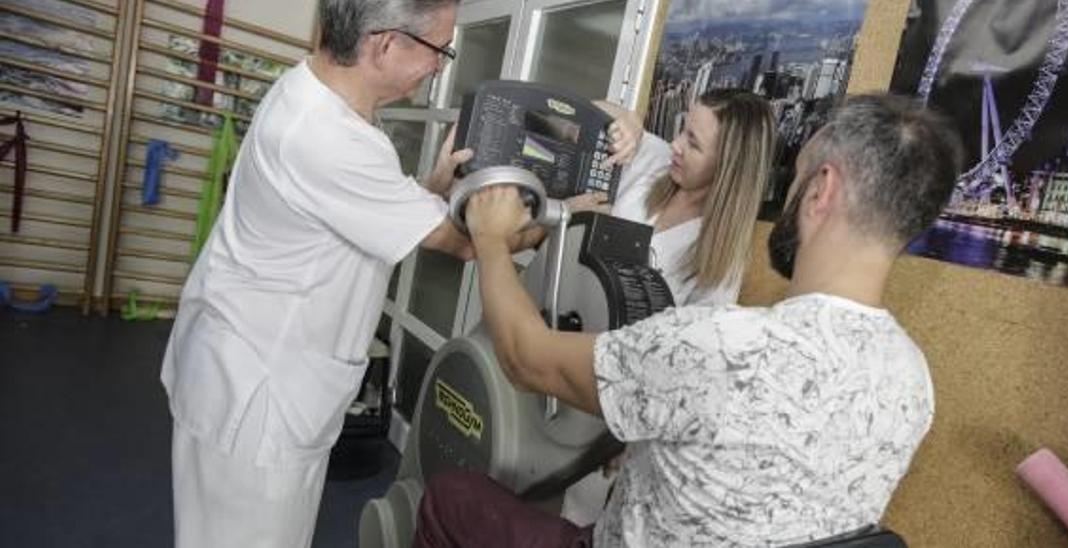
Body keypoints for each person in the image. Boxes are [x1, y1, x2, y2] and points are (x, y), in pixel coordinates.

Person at [157, 1, 637, 546]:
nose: (439, 66)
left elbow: (360, 216)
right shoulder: (327, 136)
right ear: (385, 44)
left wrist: (430, 187)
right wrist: (566, 211)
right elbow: (466, 243)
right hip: (258, 394)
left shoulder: (319, 93)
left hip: (253, 363)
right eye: (439, 50)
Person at [417, 93, 964, 546]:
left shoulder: (717, 344)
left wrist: (489, 238)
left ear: (821, 191)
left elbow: (525, 357)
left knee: (451, 497)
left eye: (795, 184)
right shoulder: (914, 380)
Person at [571, 89, 776, 306]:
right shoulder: (656, 157)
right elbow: (582, 110)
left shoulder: (720, 260)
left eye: (694, 143)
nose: (675, 145)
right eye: (683, 130)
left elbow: (692, 336)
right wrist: (628, 118)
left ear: (727, 167)